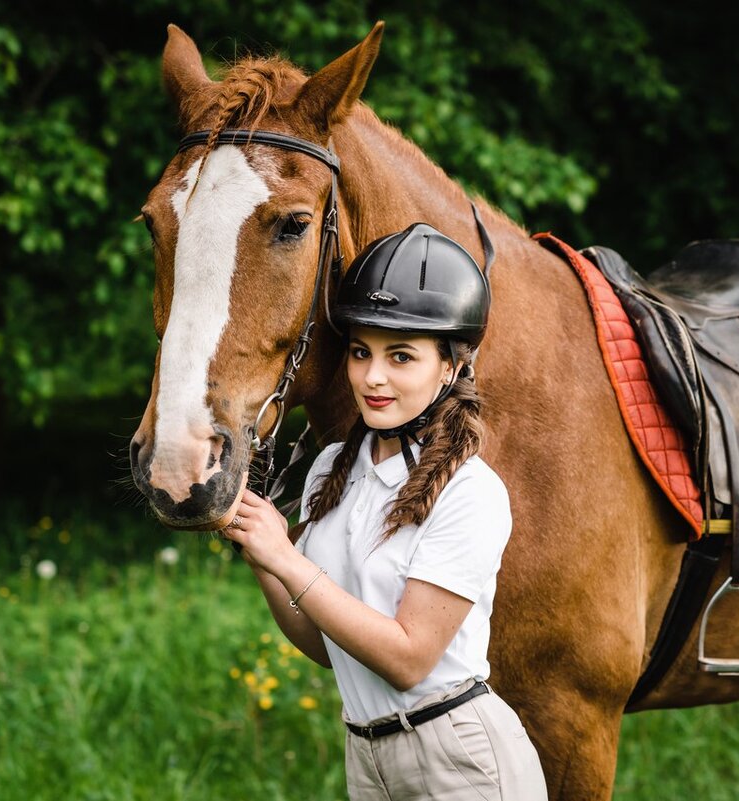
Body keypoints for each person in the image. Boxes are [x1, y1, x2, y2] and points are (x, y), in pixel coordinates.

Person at [222, 222, 548, 800]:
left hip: (460, 762)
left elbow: (407, 659)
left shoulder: (470, 492)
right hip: (367, 757)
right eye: (360, 352)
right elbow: (327, 647)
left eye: (401, 356)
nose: (372, 377)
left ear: (449, 367)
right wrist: (262, 555)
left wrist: (288, 561)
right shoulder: (330, 471)